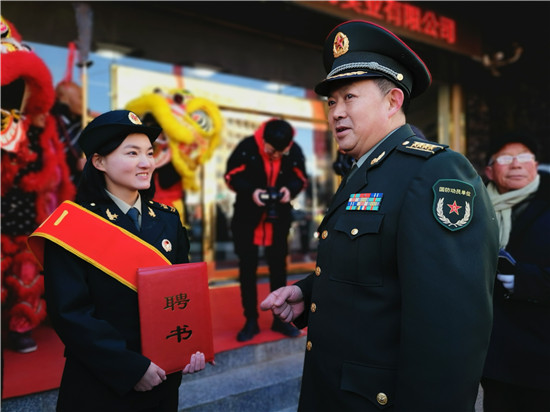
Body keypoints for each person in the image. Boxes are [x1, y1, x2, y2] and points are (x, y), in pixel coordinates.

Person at [261, 20, 499, 411]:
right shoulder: (365, 170)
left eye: (349, 97)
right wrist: (308, 292)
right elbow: (376, 268)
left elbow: (450, 328)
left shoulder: (433, 172)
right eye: (331, 102)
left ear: (392, 102)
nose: (336, 112)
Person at [29, 110, 205, 411]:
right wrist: (129, 368)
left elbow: (181, 293)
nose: (146, 163)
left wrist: (189, 346)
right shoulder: (72, 225)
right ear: (99, 162)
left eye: (149, 153)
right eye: (132, 153)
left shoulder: (168, 219)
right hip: (100, 382)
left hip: (163, 377)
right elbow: (70, 313)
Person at [481, 132, 550, 412]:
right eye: (506, 158)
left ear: (535, 165)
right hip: (494, 358)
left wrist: (522, 279)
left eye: (523, 157)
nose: (516, 164)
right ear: (489, 170)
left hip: (541, 354)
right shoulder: (472, 209)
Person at [225, 118, 308, 341]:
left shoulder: (294, 150)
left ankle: (280, 320)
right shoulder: (247, 146)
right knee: (247, 270)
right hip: (247, 218)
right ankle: (250, 320)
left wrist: (289, 190)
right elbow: (231, 176)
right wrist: (252, 191)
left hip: (278, 219)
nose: (275, 156)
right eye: (271, 151)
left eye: (280, 153)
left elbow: (300, 178)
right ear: (263, 140)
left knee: (279, 269)